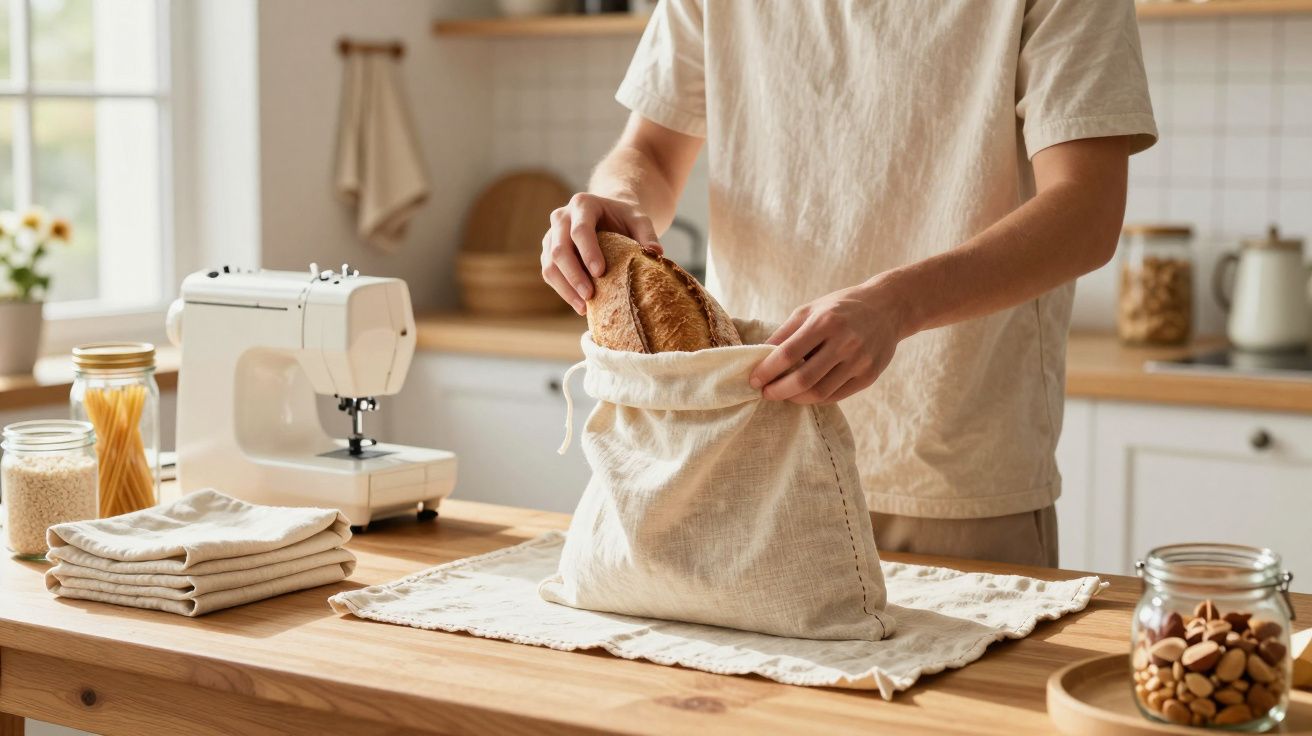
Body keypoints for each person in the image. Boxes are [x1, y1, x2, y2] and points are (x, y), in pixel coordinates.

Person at [540, 1, 1157, 567]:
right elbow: (648, 150)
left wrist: (895, 306)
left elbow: (1087, 211)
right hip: (743, 452)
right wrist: (615, 201)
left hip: (951, 479)